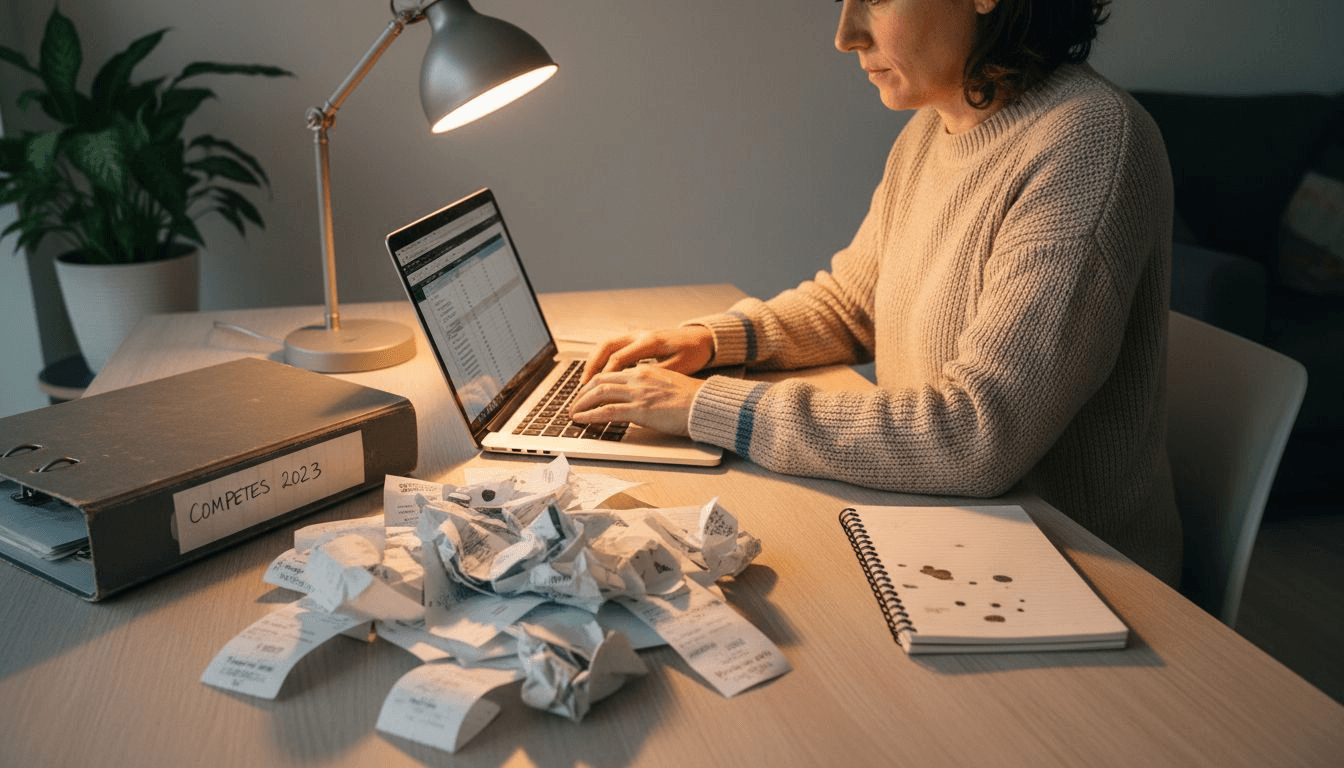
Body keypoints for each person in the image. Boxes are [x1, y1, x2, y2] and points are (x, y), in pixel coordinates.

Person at [569, 0, 1182, 585]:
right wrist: (713, 340)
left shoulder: (1090, 143)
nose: (846, 36)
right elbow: (853, 305)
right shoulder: (930, 129)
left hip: (1076, 574)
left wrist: (707, 408)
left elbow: (977, 434)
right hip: (956, 531)